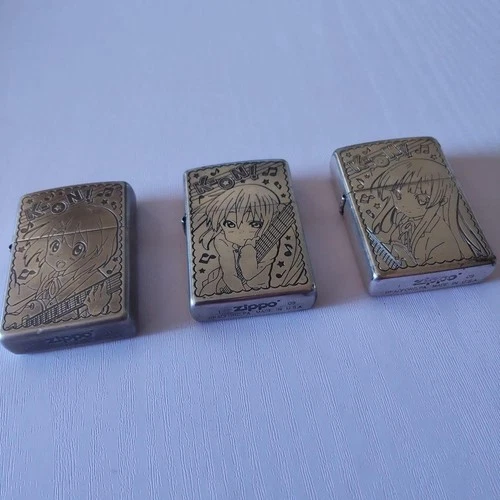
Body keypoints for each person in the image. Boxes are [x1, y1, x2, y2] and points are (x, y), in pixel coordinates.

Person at [5, 203, 119, 327]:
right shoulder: (51, 275)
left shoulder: (96, 282)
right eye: (56, 245)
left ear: (97, 253)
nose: (60, 255)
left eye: (77, 250)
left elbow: (95, 318)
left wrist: (95, 310)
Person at [371, 159, 489, 267]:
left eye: (398, 195)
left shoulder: (439, 234)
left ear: (423, 199)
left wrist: (407, 259)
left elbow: (435, 264)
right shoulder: (405, 219)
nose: (395, 201)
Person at [194, 185, 283, 295]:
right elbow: (229, 274)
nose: (241, 232)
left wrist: (247, 250)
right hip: (226, 287)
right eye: (230, 224)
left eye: (254, 224)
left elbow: (249, 274)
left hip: (259, 288)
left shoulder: (269, 240)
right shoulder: (222, 239)